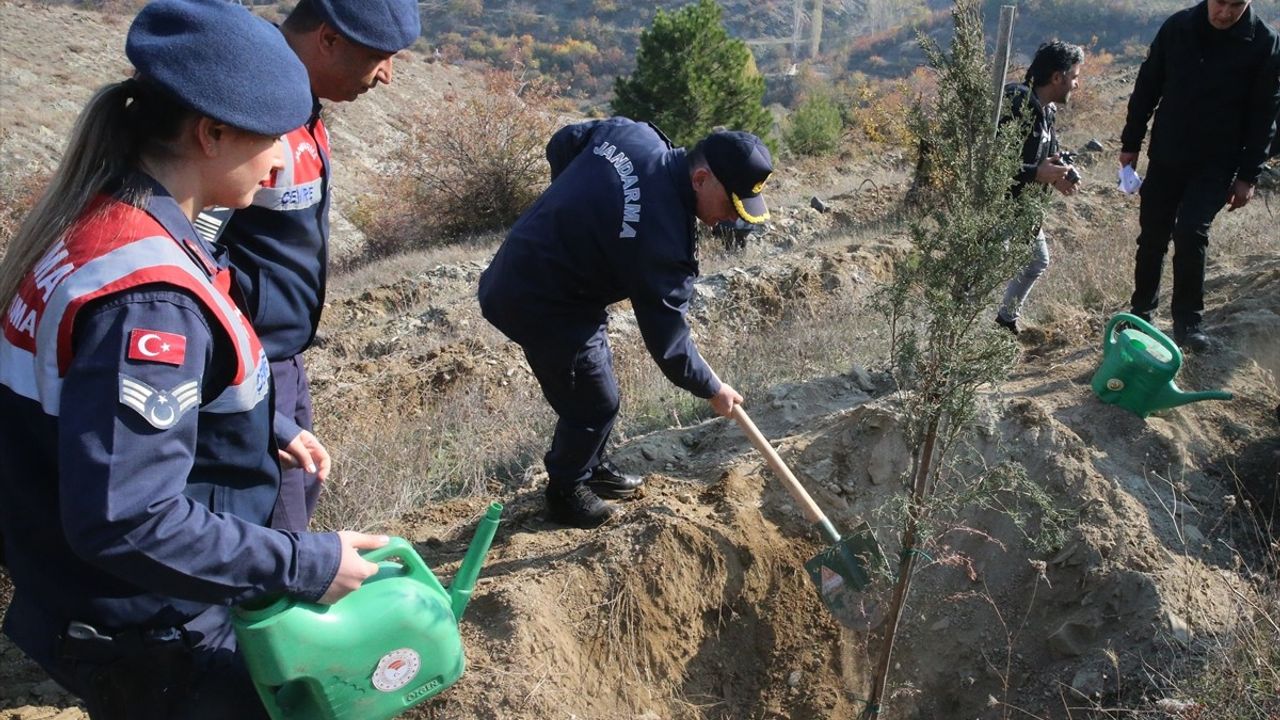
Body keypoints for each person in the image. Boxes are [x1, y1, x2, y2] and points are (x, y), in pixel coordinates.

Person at [0, 1, 388, 716]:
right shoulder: (148, 300)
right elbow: (129, 519)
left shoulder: (107, 223)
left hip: (109, 606)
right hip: (154, 629)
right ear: (211, 134)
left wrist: (266, 423)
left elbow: (100, 410)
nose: (279, 163)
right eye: (272, 140)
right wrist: (304, 562)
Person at [478, 119, 764, 528]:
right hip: (539, 301)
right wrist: (712, 388)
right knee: (595, 402)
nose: (728, 222)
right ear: (701, 179)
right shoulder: (664, 242)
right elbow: (669, 343)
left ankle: (590, 465)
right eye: (730, 207)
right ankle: (566, 490)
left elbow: (564, 142)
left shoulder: (636, 135)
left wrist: (576, 205)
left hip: (531, 266)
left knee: (597, 383)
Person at [204, 0, 421, 532]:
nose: (387, 77)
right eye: (380, 57)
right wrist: (250, 401)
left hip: (282, 361)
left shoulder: (302, 109)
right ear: (328, 39)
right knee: (269, 540)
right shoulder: (247, 116)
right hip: (238, 369)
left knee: (295, 506)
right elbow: (189, 260)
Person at [1120, 0, 1280, 351]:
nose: (1223, 13)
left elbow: (1264, 114)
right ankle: (1140, 316)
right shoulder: (1178, 27)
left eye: (1234, 6)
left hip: (1217, 162)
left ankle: (1189, 324)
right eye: (1219, 3)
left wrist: (1248, 176)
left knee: (1191, 232)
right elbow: (1148, 85)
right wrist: (1130, 141)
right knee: (1152, 236)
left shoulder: (1264, 42)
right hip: (1167, 153)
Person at [994, 40, 1086, 336]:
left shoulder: (1046, 111)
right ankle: (951, 342)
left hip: (1023, 208)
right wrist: (1037, 173)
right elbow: (990, 160)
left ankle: (1005, 322)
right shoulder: (1017, 102)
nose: (1076, 83)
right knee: (982, 271)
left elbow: (1048, 156)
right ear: (1057, 77)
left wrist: (1060, 171)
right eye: (1074, 76)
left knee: (1036, 260)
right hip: (998, 206)